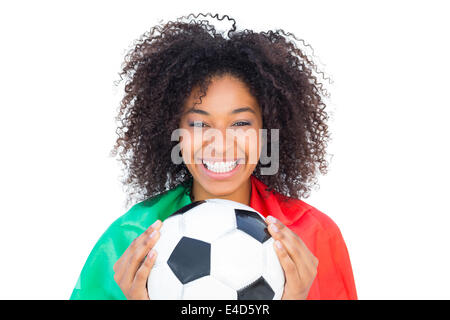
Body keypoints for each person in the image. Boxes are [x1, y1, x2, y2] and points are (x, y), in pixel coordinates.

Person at [70, 13, 357, 300]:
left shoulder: (314, 236)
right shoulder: (130, 240)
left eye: (241, 123)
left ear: (267, 131)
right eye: (199, 124)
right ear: (174, 132)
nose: (219, 145)